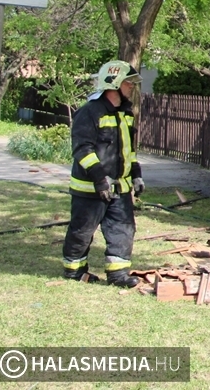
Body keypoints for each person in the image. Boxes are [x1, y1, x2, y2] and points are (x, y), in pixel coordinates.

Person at [62, 60, 145, 288]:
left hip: (120, 189)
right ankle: (74, 271)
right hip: (90, 189)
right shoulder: (90, 112)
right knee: (82, 231)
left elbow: (128, 150)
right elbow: (82, 149)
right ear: (113, 83)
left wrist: (136, 174)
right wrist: (99, 179)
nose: (132, 87)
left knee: (123, 230)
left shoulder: (126, 114)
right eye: (128, 82)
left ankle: (118, 275)